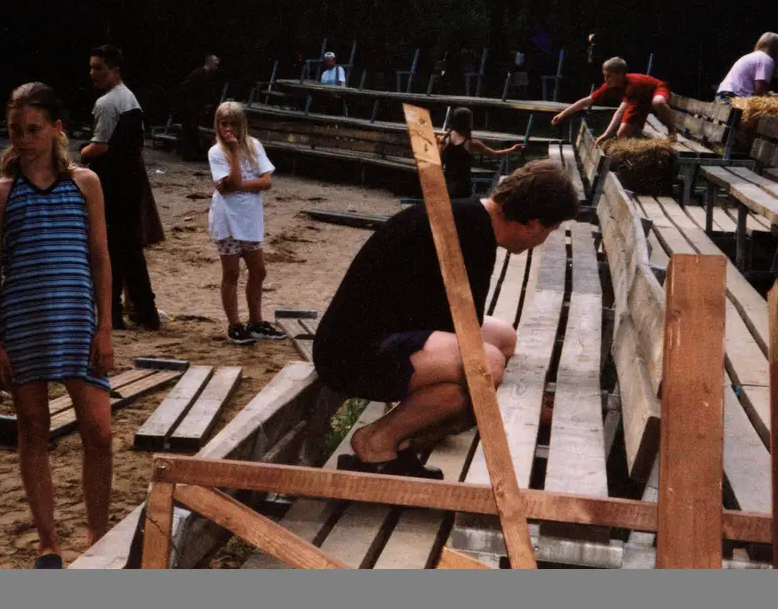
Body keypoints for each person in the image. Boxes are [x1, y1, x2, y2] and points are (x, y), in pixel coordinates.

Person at [311, 160, 580, 477]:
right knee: (486, 366)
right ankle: (377, 442)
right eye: (549, 230)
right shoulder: (469, 233)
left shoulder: (472, 219)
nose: (543, 238)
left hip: (387, 329)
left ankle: (410, 431)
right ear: (531, 224)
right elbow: (465, 339)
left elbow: (451, 319)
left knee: (503, 339)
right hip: (352, 354)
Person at [0, 82, 114, 569]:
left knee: (99, 432)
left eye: (34, 129)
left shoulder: (85, 183)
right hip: (23, 326)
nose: (24, 139)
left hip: (78, 323)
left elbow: (100, 258)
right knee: (33, 431)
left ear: (57, 128)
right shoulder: (0, 194)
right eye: (16, 130)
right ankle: (48, 543)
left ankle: (97, 533)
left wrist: (105, 328)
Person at [80, 44, 160, 330]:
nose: (93, 73)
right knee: (130, 250)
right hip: (132, 182)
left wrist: (81, 153)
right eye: (91, 67)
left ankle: (113, 314)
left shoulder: (106, 103)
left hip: (111, 185)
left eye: (98, 68)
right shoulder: (130, 98)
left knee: (111, 249)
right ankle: (145, 311)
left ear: (114, 70)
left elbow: (99, 147)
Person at [208, 101, 284, 346]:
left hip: (250, 217)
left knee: (258, 270)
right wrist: (234, 153)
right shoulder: (217, 152)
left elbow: (266, 181)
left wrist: (240, 185)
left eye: (233, 124)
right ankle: (235, 325)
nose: (228, 129)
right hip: (227, 219)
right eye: (224, 124)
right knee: (231, 272)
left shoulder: (254, 145)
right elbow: (230, 183)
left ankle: (256, 321)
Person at [551, 56, 677, 143]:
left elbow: (620, 112)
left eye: (609, 76)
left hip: (655, 90)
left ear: (620, 75)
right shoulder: (609, 85)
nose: (605, 79)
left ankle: (672, 132)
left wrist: (606, 133)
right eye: (604, 75)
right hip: (639, 100)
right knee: (621, 134)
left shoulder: (633, 85)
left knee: (658, 102)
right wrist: (563, 114)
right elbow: (586, 101)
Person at [440, 107, 525, 199]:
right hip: (463, 188)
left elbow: (440, 163)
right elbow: (495, 154)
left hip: (446, 185)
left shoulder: (444, 140)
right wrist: (512, 149)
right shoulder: (471, 143)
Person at [175, 54, 222, 160]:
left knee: (192, 130)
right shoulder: (198, 73)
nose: (216, 68)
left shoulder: (208, 75)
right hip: (190, 107)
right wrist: (190, 102)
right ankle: (187, 155)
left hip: (196, 108)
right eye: (215, 65)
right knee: (189, 130)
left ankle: (191, 154)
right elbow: (185, 88)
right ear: (210, 63)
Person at [716, 32, 778, 102]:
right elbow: (760, 92)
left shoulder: (752, 56)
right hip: (734, 96)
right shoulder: (766, 60)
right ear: (775, 48)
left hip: (722, 94)